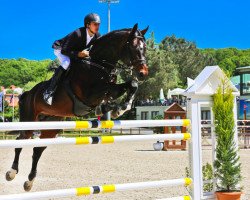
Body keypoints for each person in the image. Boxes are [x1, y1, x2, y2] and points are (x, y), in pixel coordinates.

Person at [43, 13, 101, 105]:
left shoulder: (97, 36)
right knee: (67, 62)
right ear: (87, 25)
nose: (97, 26)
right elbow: (64, 51)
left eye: (98, 24)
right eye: (95, 24)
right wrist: (79, 54)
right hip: (61, 49)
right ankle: (49, 91)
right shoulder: (78, 33)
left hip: (73, 51)